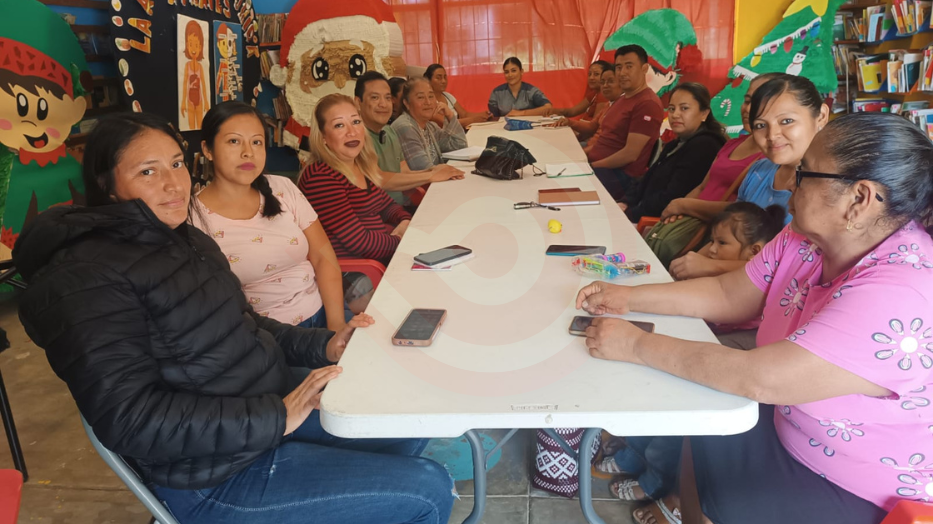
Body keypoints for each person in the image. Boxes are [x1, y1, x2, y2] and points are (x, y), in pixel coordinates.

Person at [13, 112, 455, 524]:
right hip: (213, 476)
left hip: (259, 408)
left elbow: (248, 324)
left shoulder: (185, 240)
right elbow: (130, 418)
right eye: (148, 172)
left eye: (176, 164)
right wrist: (277, 416)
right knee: (427, 489)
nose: (173, 184)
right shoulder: (87, 278)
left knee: (402, 420)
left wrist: (325, 343)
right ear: (107, 185)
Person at [578, 112, 932, 524]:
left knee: (721, 462)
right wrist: (627, 298)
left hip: (857, 482)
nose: (788, 182)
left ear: (859, 199)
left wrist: (636, 344)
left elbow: (760, 378)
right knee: (704, 414)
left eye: (804, 173)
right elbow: (728, 294)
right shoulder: (805, 237)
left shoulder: (902, 291)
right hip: (791, 422)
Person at [189, 101, 352, 331]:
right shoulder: (193, 219)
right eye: (234, 141)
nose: (248, 152)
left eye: (257, 142)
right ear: (208, 150)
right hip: (268, 337)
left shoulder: (282, 187)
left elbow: (323, 257)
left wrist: (336, 326)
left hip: (326, 310)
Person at [668, 74, 827, 282]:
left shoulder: (831, 190)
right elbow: (728, 231)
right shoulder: (758, 171)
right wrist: (688, 265)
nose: (772, 135)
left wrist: (711, 267)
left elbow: (796, 269)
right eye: (761, 125)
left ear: (821, 116)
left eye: (786, 121)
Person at [645, 74, 775, 268]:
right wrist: (677, 212)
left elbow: (743, 212)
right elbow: (703, 186)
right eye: (747, 101)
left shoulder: (769, 159)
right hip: (692, 221)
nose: (749, 109)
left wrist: (684, 205)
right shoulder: (732, 144)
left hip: (717, 238)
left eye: (760, 101)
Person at [299, 94, 412, 310]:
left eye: (356, 121)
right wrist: (400, 239)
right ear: (323, 137)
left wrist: (405, 221)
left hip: (378, 260)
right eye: (339, 125)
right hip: (351, 276)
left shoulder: (358, 165)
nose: (351, 132)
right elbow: (360, 243)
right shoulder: (321, 176)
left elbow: (388, 206)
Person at [619, 82, 727, 223]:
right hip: (640, 213)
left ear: (704, 114)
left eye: (684, 108)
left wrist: (630, 214)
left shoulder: (704, 146)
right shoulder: (676, 143)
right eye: (671, 108)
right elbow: (647, 178)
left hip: (658, 222)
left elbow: (672, 197)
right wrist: (625, 202)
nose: (675, 115)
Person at [354, 71, 464, 207]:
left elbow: (404, 171)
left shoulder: (389, 131)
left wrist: (438, 171)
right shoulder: (355, 136)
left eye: (387, 98)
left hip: (398, 208)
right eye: (375, 98)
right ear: (358, 102)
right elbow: (378, 178)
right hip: (379, 213)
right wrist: (431, 174)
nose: (383, 104)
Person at [588, 45, 665, 201]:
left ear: (644, 68)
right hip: (599, 166)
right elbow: (605, 139)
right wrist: (582, 156)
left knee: (563, 188)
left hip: (620, 177)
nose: (622, 73)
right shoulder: (622, 98)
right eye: (619, 67)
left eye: (629, 66)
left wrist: (591, 167)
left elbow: (630, 155)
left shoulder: (647, 104)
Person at [391, 77, 468, 172]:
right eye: (420, 97)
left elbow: (460, 145)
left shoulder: (430, 126)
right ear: (406, 103)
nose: (428, 102)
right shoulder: (405, 127)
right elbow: (423, 168)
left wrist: (450, 115)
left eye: (431, 96)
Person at [423, 63, 492, 127]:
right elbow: (447, 124)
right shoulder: (428, 103)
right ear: (428, 80)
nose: (443, 81)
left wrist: (483, 115)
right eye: (439, 78)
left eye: (445, 77)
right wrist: (473, 120)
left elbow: (464, 114)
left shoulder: (448, 96)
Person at [487, 57, 552, 118]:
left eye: (513, 71)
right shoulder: (496, 93)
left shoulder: (531, 91)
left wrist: (521, 113)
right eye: (506, 72)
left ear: (521, 72)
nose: (510, 75)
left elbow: (548, 107)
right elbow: (493, 117)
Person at [547, 60, 613, 119]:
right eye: (589, 74)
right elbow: (572, 111)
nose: (591, 78)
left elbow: (594, 125)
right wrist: (554, 111)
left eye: (596, 74)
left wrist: (570, 123)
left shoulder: (603, 95)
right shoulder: (594, 93)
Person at [582, 68, 625, 156]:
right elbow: (592, 126)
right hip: (589, 146)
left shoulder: (623, 106)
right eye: (602, 82)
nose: (605, 85)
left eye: (610, 81)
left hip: (595, 153)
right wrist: (569, 123)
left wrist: (581, 154)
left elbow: (606, 143)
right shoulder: (609, 102)